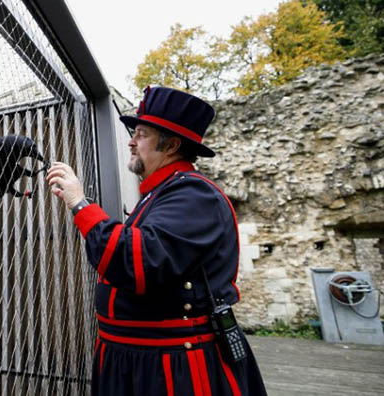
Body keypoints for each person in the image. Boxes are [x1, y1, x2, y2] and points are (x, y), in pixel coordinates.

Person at [46, 86, 267, 396]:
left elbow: (134, 263)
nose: (131, 142)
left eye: (142, 134)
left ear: (172, 144)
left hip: (170, 369)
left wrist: (80, 203)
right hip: (140, 361)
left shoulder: (194, 195)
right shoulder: (164, 194)